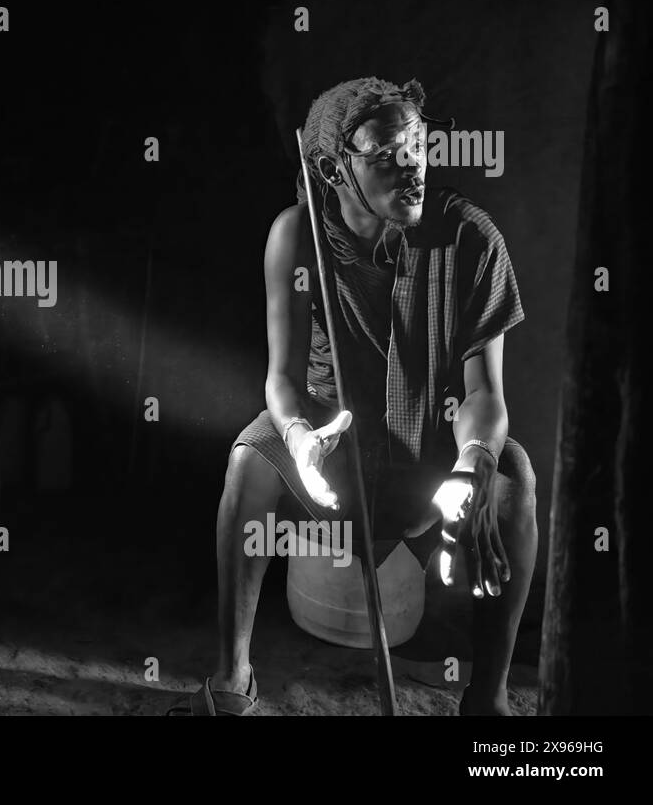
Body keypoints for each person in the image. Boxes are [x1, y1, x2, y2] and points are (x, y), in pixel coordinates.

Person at [169, 76, 535, 716]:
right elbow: (282, 379)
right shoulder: (298, 236)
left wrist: (473, 459)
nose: (412, 167)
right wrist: (296, 435)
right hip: (331, 448)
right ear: (330, 167)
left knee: (513, 482)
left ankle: (489, 698)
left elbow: (485, 393)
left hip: (430, 451)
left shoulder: (469, 239)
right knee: (249, 461)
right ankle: (232, 682)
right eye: (386, 154)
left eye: (417, 146)